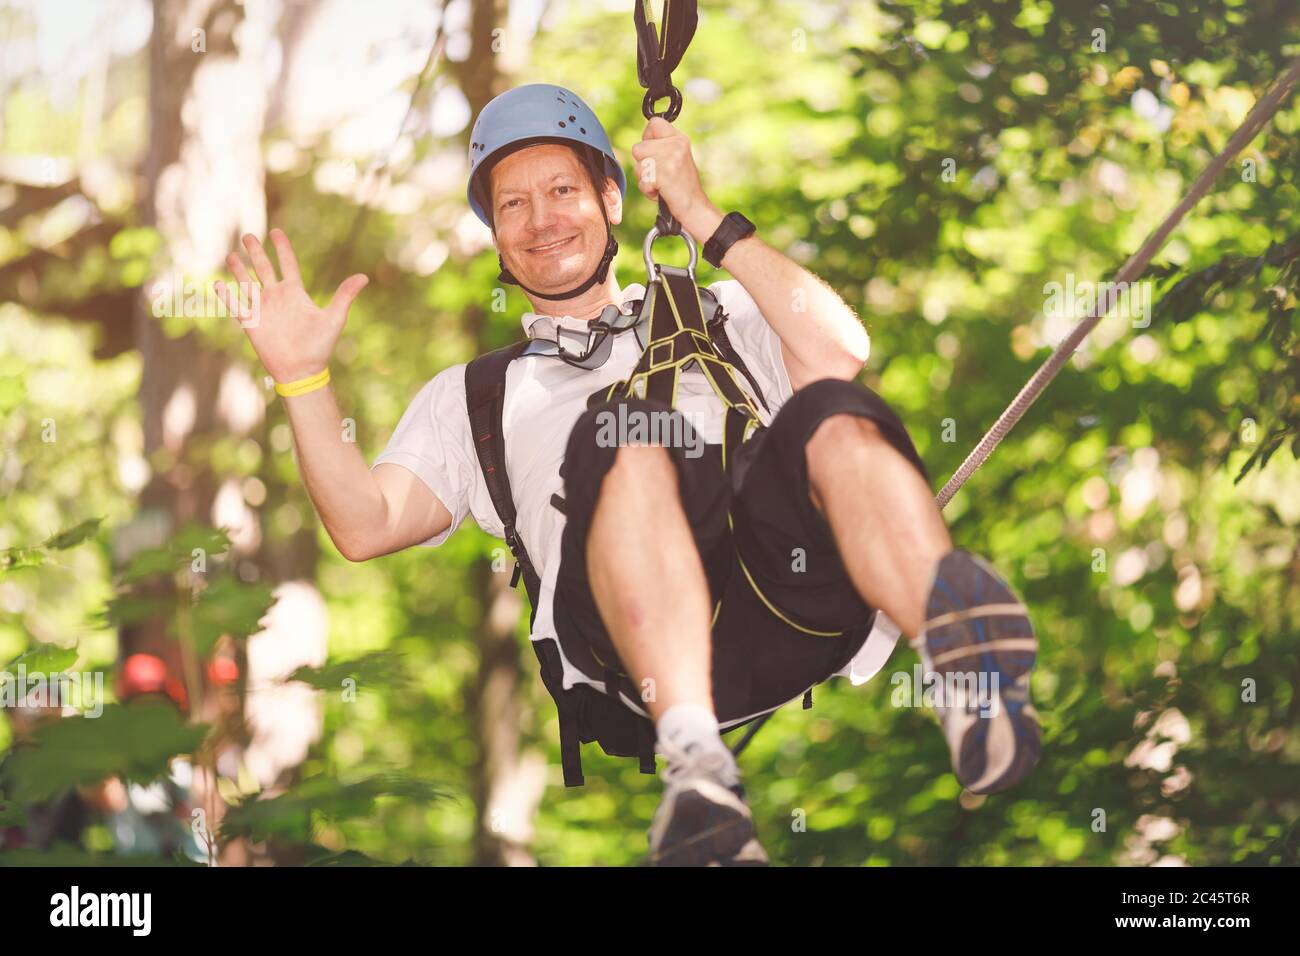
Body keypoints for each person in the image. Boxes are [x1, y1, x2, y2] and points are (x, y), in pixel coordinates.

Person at [216, 83, 1041, 866]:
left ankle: (963, 662)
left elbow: (840, 351)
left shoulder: (719, 312)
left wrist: (707, 219)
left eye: (562, 191)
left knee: (828, 411)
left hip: (785, 598)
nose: (541, 220)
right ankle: (697, 769)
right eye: (513, 204)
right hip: (624, 647)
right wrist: (301, 380)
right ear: (496, 236)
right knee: (623, 428)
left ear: (611, 201)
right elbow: (364, 525)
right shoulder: (473, 399)